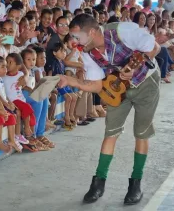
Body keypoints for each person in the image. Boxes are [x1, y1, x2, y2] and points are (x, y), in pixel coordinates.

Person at [58, 14, 160, 205]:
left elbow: (154, 47)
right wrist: (72, 81)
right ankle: (98, 183)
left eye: (77, 37)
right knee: (110, 132)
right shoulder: (88, 53)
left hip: (146, 85)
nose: (75, 42)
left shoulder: (122, 31)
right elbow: (97, 85)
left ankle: (135, 183)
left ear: (92, 32)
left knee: (141, 133)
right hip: (118, 89)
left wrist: (136, 70)